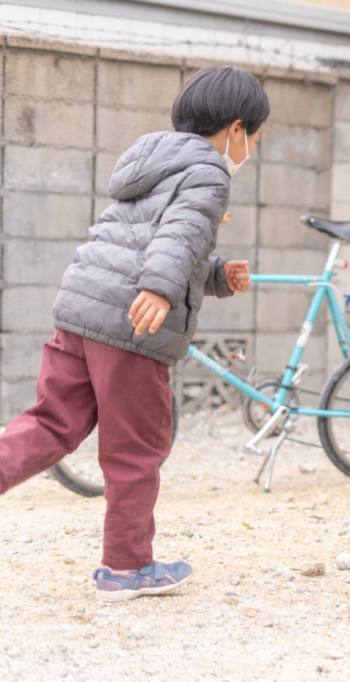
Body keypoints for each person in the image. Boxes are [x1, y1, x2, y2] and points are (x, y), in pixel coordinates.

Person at [0, 66, 270, 601]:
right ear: (236, 129)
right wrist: (159, 290)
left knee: (51, 423)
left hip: (80, 310)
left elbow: (147, 241)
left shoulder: (150, 161)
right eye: (255, 137)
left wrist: (216, 277)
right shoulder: (209, 172)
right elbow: (179, 235)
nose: (251, 149)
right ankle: (126, 567)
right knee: (136, 450)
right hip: (131, 326)